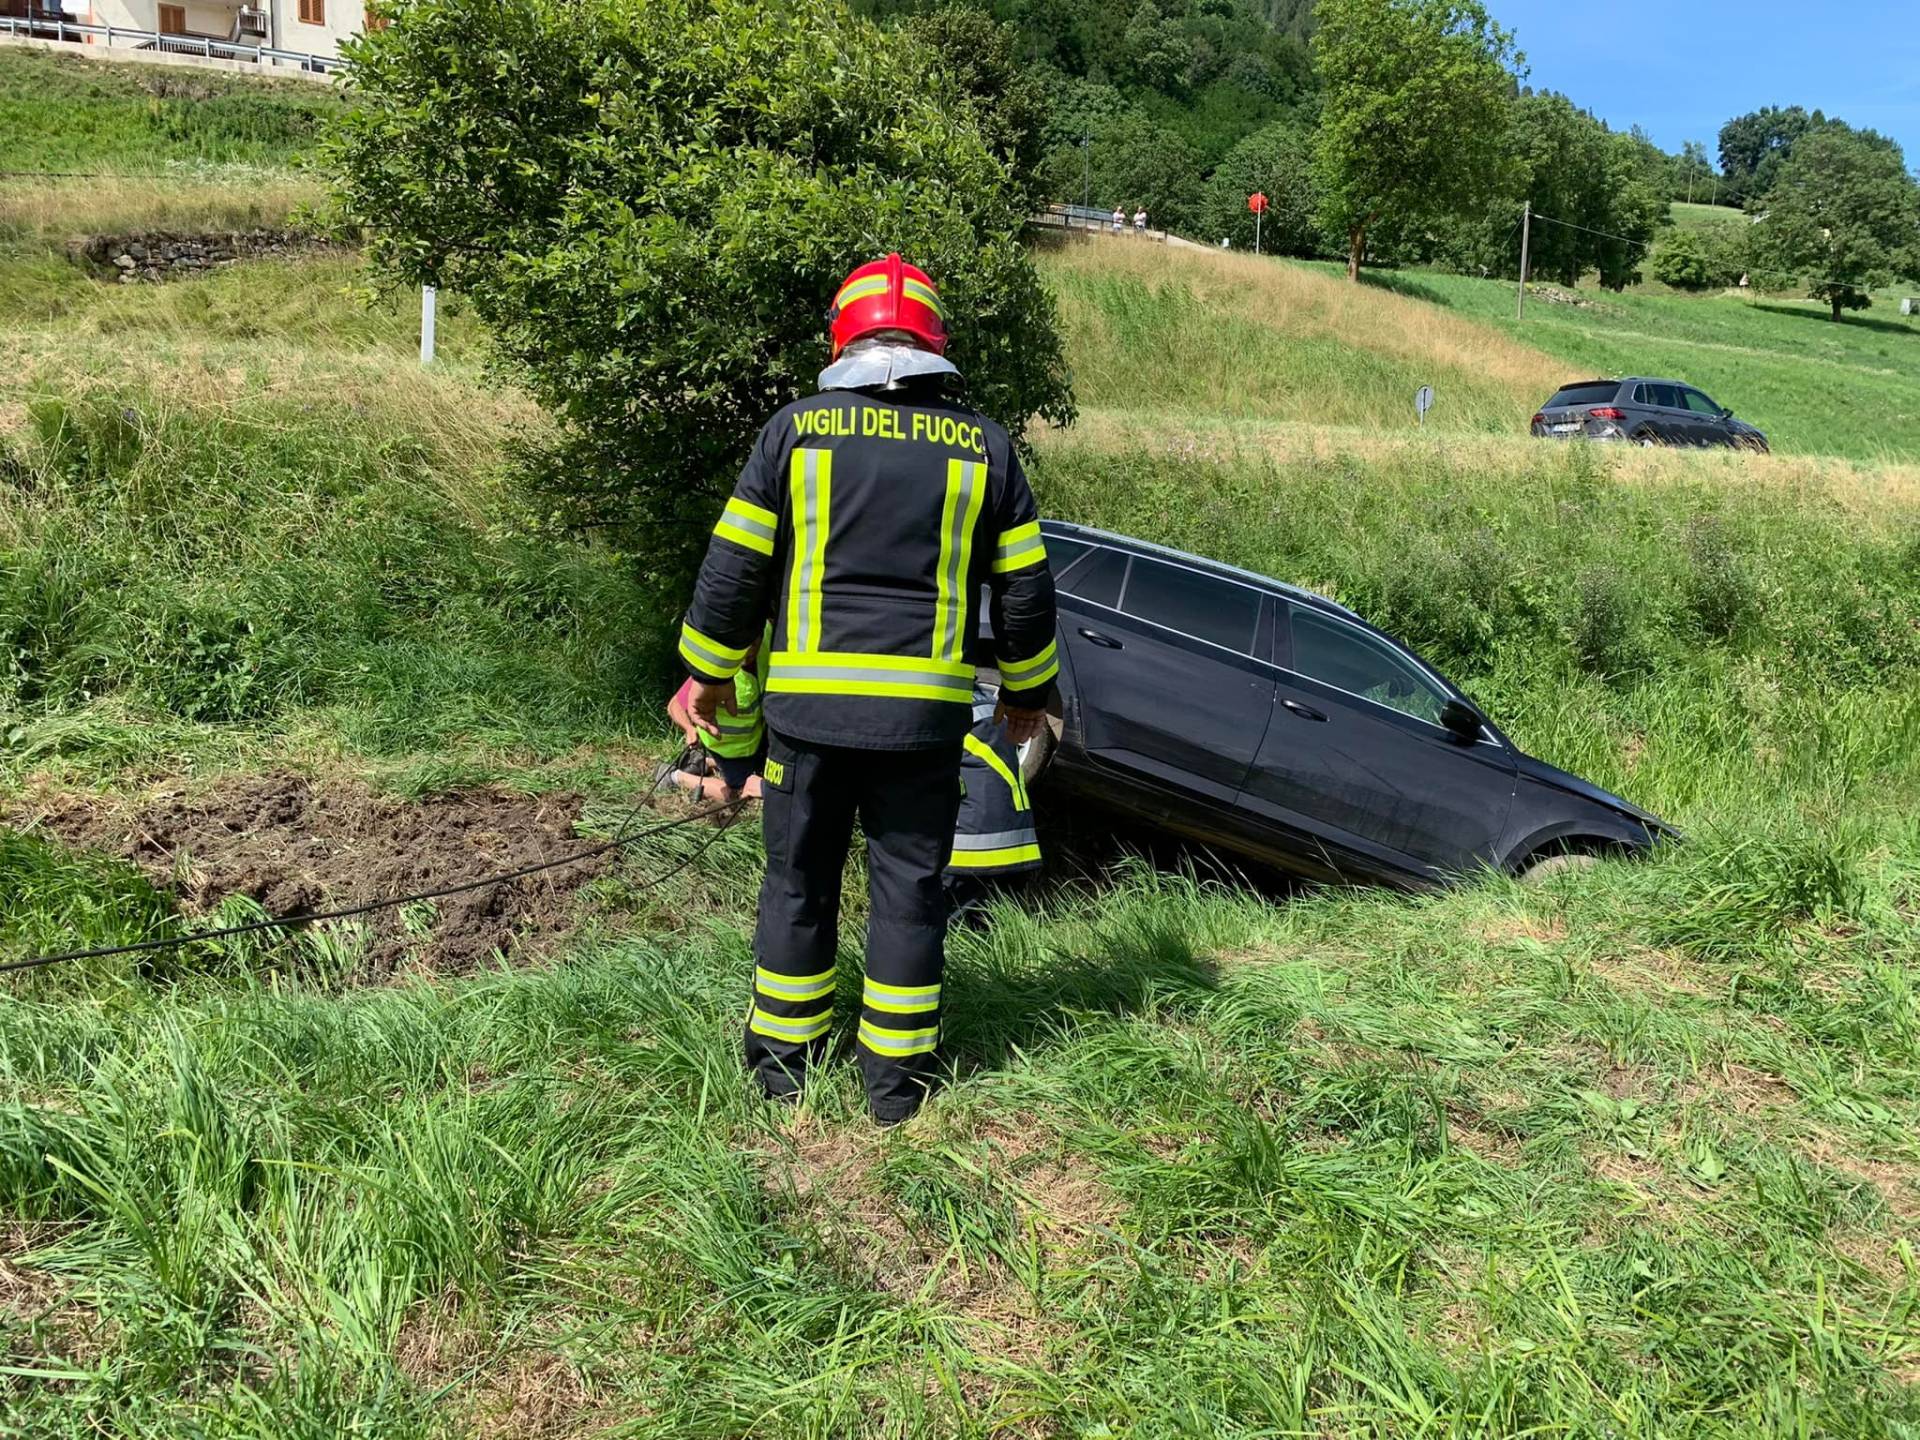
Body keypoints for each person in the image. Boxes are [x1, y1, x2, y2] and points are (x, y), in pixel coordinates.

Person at [678, 253, 1058, 1125]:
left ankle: (781, 1073)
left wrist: (706, 673)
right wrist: (1027, 695)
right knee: (908, 895)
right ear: (937, 344)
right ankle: (894, 1091)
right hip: (924, 728)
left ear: (839, 339)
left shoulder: (795, 432)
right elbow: (1029, 591)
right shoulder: (986, 446)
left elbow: (734, 568)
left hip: (807, 721)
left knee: (798, 885)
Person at [946, 686, 1043, 924]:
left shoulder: (946, 711)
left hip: (969, 850)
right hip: (1018, 850)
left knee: (915, 927)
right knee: (982, 936)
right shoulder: (990, 706)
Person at [665, 623, 769, 801]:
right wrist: (690, 730)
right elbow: (674, 705)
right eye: (744, 645)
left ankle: (704, 762)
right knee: (736, 795)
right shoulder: (717, 670)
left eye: (754, 644)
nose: (749, 651)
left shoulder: (768, 637)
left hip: (755, 741)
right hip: (725, 749)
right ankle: (675, 776)